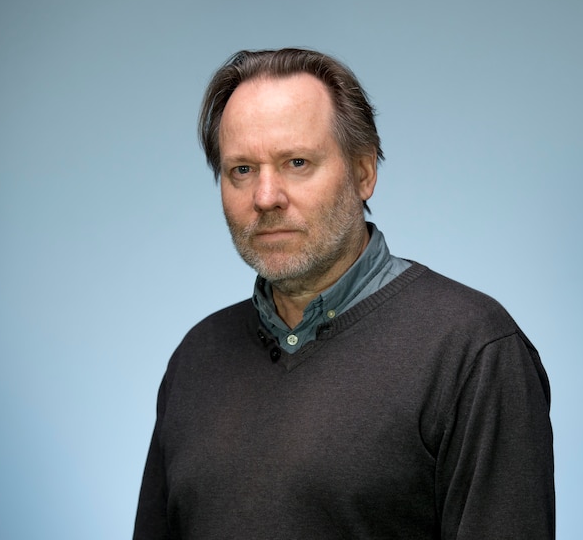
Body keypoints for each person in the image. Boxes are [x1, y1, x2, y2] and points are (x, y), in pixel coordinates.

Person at [134, 48, 555, 539]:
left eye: (296, 162)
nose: (266, 197)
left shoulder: (472, 351)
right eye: (242, 170)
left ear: (363, 173)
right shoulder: (196, 359)